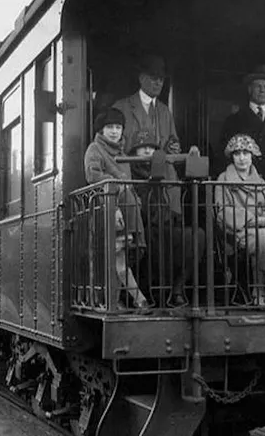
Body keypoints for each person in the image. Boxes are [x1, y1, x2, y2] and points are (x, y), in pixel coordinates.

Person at [215, 133, 265, 307]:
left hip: (264, 226)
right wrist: (254, 220)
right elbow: (223, 212)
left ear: (252, 156)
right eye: (237, 154)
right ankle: (257, 292)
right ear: (232, 157)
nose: (242, 158)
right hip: (239, 230)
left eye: (246, 153)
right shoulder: (223, 179)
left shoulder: (260, 181)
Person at [83, 108, 152, 312]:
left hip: (127, 209)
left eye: (118, 127)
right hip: (107, 209)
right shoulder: (94, 149)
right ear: (102, 129)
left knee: (118, 257)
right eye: (110, 127)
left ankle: (113, 301)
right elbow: (93, 176)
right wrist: (116, 195)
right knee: (116, 258)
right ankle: (137, 300)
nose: (114, 131)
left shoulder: (122, 153)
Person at [129, 131, 206, 307]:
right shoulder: (130, 170)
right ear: (135, 153)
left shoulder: (166, 167)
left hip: (165, 222)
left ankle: (177, 288)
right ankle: (153, 292)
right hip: (142, 224)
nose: (148, 151)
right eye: (143, 148)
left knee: (197, 236)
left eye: (151, 147)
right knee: (151, 240)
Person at [113, 54, 183, 212]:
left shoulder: (165, 111)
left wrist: (174, 147)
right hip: (131, 177)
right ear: (141, 78)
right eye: (154, 77)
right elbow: (112, 146)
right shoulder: (121, 107)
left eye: (161, 79)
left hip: (162, 181)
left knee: (168, 225)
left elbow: (173, 140)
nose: (159, 82)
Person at [218, 65, 265, 181]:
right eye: (258, 86)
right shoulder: (234, 121)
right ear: (250, 89)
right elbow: (224, 156)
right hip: (246, 187)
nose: (262, 90)